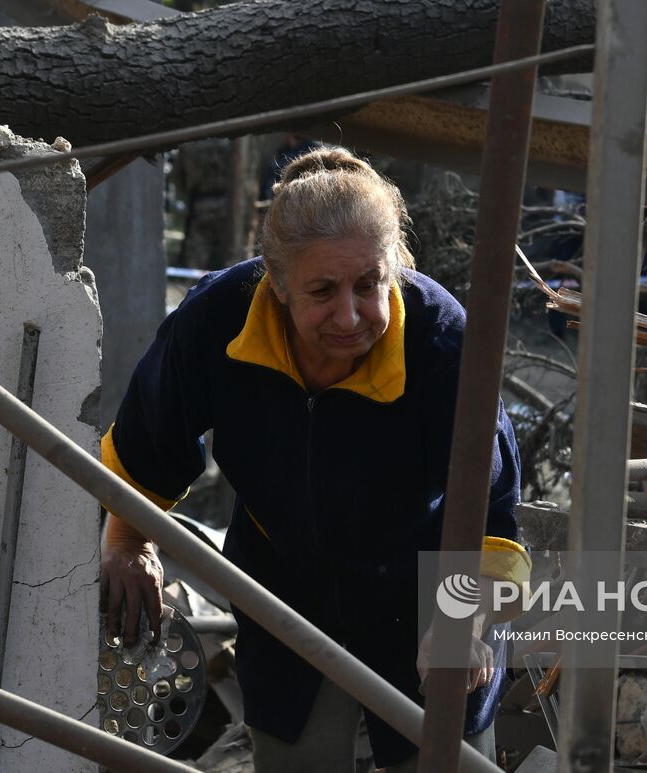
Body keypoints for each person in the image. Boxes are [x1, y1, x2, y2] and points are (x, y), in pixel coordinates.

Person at [99, 147, 531, 771]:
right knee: (295, 755)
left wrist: (462, 618)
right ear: (276, 284)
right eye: (323, 291)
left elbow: (494, 508)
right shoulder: (217, 322)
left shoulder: (444, 345)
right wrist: (128, 542)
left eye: (368, 285)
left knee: (442, 758)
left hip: (426, 584)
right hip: (284, 584)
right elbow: (148, 442)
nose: (350, 316)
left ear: (394, 271)